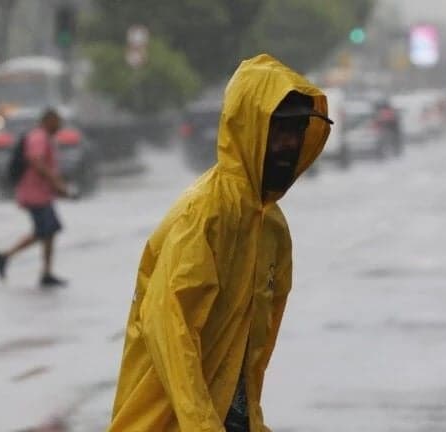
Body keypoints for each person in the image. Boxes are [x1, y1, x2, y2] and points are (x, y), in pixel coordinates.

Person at [108, 54, 333, 432]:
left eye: (296, 132)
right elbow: (169, 327)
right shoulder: (205, 215)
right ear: (249, 127)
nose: (289, 145)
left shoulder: (272, 228)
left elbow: (251, 349)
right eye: (279, 130)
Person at [0, 108, 69, 288]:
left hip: (40, 193)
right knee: (44, 230)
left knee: (49, 230)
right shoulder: (39, 137)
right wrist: (56, 182)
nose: (60, 126)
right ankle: (5, 256)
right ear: (49, 120)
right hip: (34, 194)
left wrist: (56, 186)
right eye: (57, 122)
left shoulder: (42, 137)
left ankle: (46, 272)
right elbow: (36, 161)